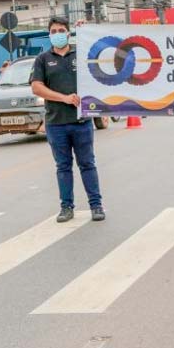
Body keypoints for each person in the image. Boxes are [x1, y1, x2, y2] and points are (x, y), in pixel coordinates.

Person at [31, 17, 105, 223]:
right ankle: (66, 207)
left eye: (61, 30)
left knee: (87, 164)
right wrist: (64, 98)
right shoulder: (43, 59)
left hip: (81, 121)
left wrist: (88, 28)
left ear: (69, 33)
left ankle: (96, 205)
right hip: (56, 123)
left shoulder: (81, 55)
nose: (57, 34)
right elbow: (37, 87)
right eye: (53, 31)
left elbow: (100, 56)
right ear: (49, 34)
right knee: (63, 167)